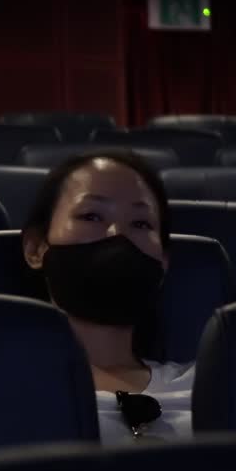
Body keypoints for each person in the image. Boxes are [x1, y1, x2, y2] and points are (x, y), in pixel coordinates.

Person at [21, 151, 194, 442]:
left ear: (163, 263)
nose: (117, 235)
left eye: (140, 224)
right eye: (91, 216)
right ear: (36, 248)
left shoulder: (212, 383)